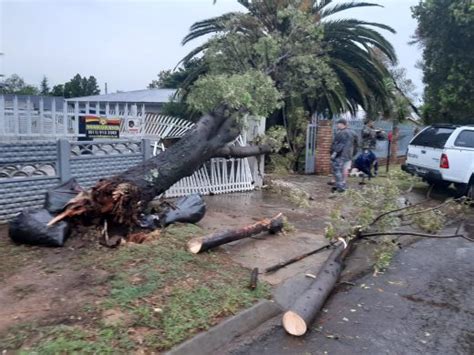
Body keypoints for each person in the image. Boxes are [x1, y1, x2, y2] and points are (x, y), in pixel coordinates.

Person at [330, 118, 356, 193]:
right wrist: (353, 153)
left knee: (337, 170)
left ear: (342, 124)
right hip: (349, 154)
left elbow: (338, 145)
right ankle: (344, 183)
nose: (337, 125)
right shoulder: (353, 132)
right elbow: (356, 144)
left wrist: (334, 154)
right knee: (346, 169)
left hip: (340, 155)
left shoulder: (341, 133)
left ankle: (340, 187)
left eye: (338, 124)